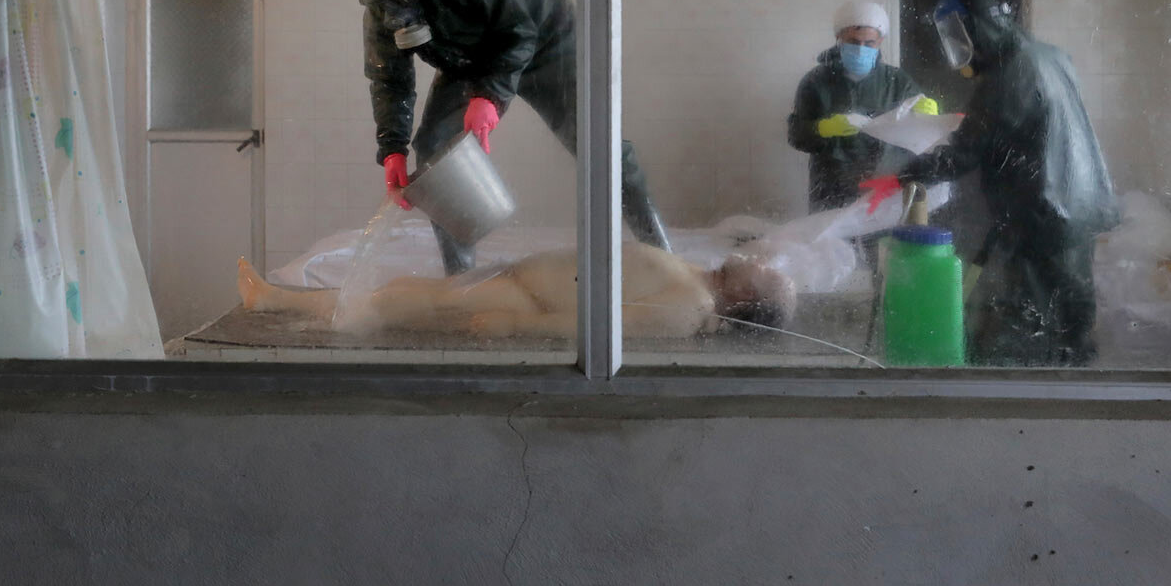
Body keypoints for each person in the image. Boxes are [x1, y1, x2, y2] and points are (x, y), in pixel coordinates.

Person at [356, 0, 672, 275]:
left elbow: (519, 32)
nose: (395, 15)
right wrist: (393, 149)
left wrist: (489, 97)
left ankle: (665, 261)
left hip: (545, 42)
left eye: (402, 0)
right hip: (467, 58)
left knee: (599, 146)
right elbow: (389, 79)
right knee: (432, 147)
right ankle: (462, 281)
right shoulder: (383, 9)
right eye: (386, 6)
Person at [861, 0, 1119, 367]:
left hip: (1041, 212)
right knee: (1072, 304)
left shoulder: (1008, 76)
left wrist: (901, 177)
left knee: (1031, 315)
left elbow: (964, 153)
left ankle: (1024, 393)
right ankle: (1076, 373)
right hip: (1079, 204)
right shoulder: (1051, 56)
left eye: (958, 36)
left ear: (979, 29)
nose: (958, 49)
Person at [235, 244, 797, 339]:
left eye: (767, 273)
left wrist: (520, 327)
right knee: (404, 289)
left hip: (528, 303)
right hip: (522, 280)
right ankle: (276, 297)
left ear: (750, 302)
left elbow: (605, 325)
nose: (762, 260)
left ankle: (278, 300)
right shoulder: (695, 277)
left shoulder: (691, 308)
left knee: (398, 301)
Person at [787, 0, 926, 213]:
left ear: (880, 41)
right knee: (830, 245)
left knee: (882, 245)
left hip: (884, 188)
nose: (861, 49)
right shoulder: (815, 82)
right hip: (829, 190)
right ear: (838, 39)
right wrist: (822, 129)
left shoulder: (897, 81)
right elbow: (796, 135)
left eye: (869, 43)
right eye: (852, 41)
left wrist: (928, 114)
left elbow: (923, 136)